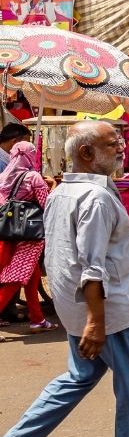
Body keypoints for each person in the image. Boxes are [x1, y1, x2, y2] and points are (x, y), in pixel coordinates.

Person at [0, 121, 129, 437]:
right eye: (113, 144)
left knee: (80, 376)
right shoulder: (93, 198)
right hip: (109, 313)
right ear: (86, 153)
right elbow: (91, 265)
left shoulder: (65, 191)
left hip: (79, 308)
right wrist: (96, 322)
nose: (122, 147)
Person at [0, 142, 54, 332]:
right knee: (16, 278)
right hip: (29, 235)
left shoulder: (3, 177)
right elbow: (47, 205)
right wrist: (53, 186)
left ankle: (37, 320)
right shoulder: (33, 177)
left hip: (7, 233)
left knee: (32, 277)